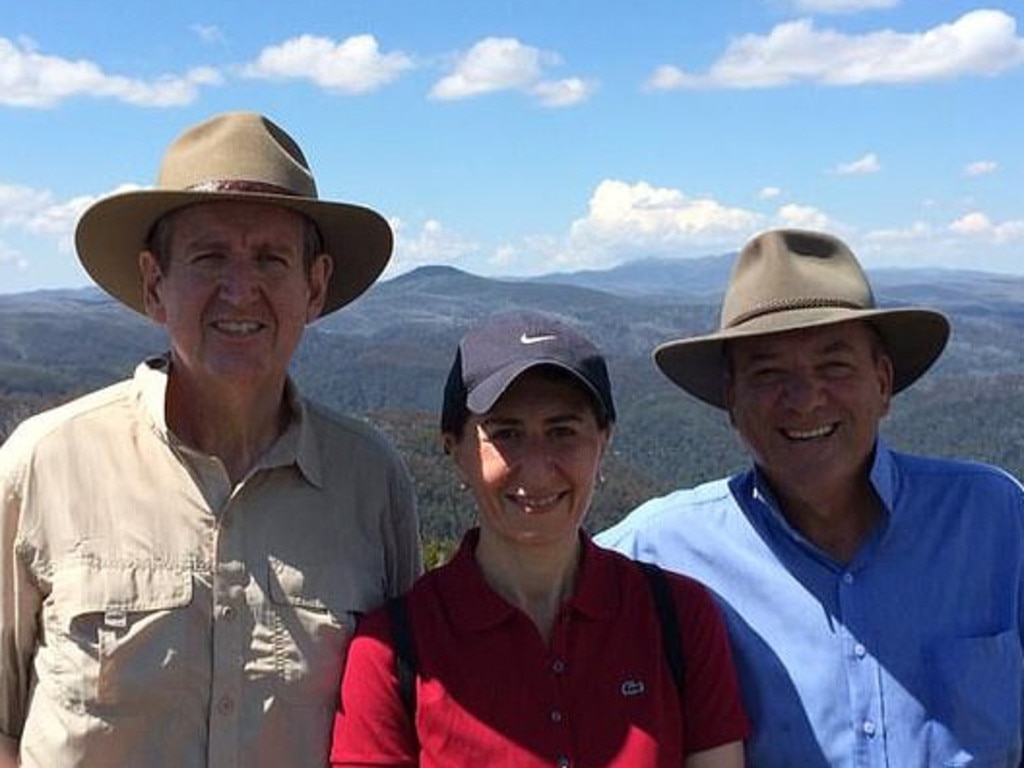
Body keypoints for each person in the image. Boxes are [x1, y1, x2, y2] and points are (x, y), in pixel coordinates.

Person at [0, 112, 422, 768]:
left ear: (313, 287)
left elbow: (397, 718)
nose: (239, 289)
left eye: (270, 259)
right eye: (209, 256)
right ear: (153, 284)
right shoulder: (42, 464)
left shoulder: (370, 481)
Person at [596, 228, 1024, 767]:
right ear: (731, 400)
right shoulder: (657, 553)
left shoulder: (996, 520)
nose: (804, 399)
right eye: (769, 372)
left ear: (883, 382)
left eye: (833, 366)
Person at [330, 311, 749, 768]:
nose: (536, 466)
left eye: (563, 432)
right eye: (506, 433)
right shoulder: (392, 652)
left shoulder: (680, 620)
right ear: (456, 449)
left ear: (603, 442)